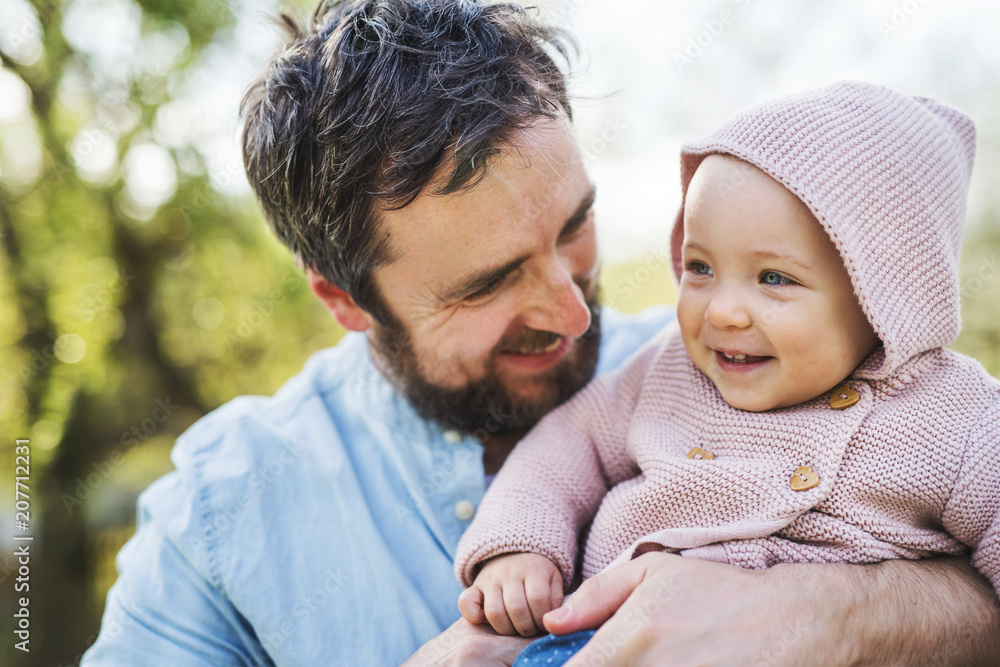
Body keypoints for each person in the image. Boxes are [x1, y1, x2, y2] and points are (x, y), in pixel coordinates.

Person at [81, 1, 1000, 664]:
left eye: (573, 230)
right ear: (345, 300)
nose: (571, 311)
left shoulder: (701, 357)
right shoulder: (219, 515)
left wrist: (838, 613)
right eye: (487, 283)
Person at [455, 81, 1000, 665]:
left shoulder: (956, 417)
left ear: (887, 295)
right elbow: (564, 450)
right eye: (700, 267)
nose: (722, 311)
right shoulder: (667, 372)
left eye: (773, 278)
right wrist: (521, 548)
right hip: (592, 643)